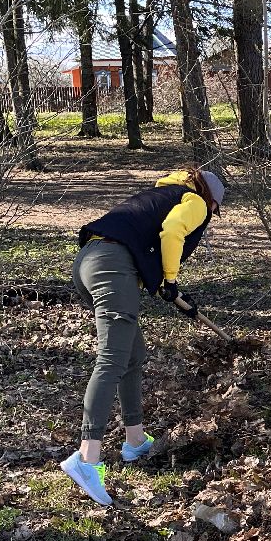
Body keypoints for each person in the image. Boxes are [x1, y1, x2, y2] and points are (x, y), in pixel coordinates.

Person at [62, 168, 225, 505]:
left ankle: (134, 441)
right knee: (112, 359)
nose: (209, 217)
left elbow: (146, 240)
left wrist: (166, 285)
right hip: (111, 266)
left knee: (133, 356)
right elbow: (173, 232)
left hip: (89, 261)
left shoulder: (159, 195)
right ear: (210, 200)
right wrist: (170, 279)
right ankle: (87, 458)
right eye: (214, 211)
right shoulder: (193, 201)